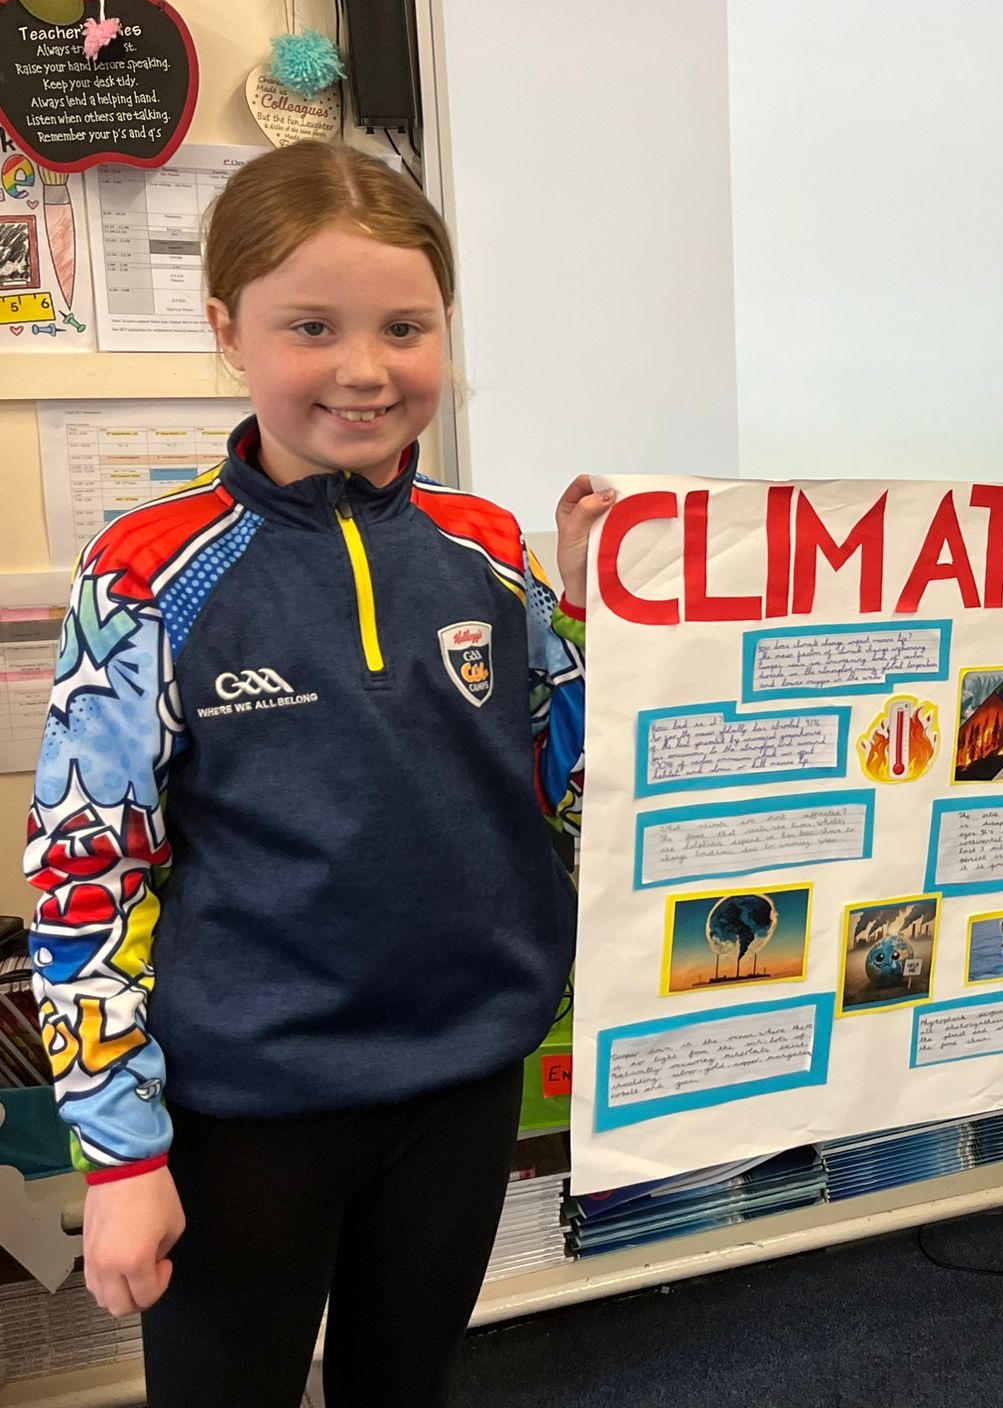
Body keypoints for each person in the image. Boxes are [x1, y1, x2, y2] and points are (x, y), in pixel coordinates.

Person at [23, 141, 611, 1407]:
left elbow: (564, 787)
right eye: (311, 327)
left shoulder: (487, 548)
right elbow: (86, 867)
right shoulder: (144, 574)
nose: (364, 368)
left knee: (406, 1385)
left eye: (405, 327)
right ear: (226, 328)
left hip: (459, 1078)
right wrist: (120, 1154)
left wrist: (580, 608)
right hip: (247, 1107)